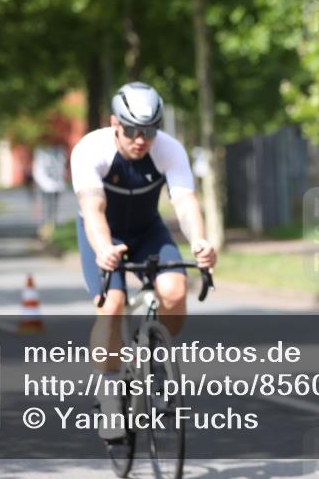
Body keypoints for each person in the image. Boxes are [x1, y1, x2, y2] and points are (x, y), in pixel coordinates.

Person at [70, 81, 218, 441]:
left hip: (148, 229)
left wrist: (199, 241)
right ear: (114, 123)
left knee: (175, 291)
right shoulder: (91, 149)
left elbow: (184, 202)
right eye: (133, 130)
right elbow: (93, 210)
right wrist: (103, 248)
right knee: (112, 305)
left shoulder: (169, 149)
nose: (141, 139)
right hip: (103, 234)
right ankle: (109, 394)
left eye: (150, 131)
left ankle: (157, 360)